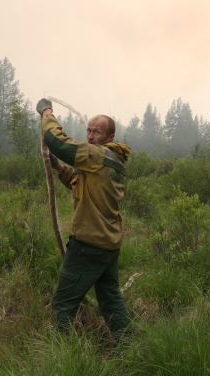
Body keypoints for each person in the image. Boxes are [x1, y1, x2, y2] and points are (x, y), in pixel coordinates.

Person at [36, 98, 132, 340]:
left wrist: (47, 113)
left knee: (63, 302)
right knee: (110, 298)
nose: (90, 136)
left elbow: (57, 141)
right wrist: (59, 168)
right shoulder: (111, 159)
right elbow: (78, 183)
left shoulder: (98, 155)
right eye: (88, 130)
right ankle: (130, 346)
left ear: (109, 137)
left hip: (89, 243)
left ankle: (61, 353)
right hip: (109, 243)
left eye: (96, 132)